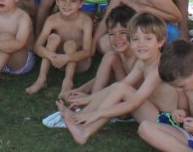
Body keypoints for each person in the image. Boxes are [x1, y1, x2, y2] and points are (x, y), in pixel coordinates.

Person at [56, 12, 174, 146]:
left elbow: (133, 103)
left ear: (160, 41)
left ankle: (84, 130)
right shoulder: (143, 62)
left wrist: (98, 113)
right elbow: (121, 85)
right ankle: (80, 117)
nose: (141, 44)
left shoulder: (158, 67)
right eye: (135, 39)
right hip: (154, 112)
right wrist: (89, 99)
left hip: (168, 122)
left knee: (121, 89)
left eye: (147, 39)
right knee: (120, 87)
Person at [26, 0, 94, 96]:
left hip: (80, 63)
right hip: (58, 61)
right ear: (56, 1)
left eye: (73, 1)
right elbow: (37, 46)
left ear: (81, 4)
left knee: (70, 44)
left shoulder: (85, 21)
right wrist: (51, 55)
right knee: (53, 38)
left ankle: (67, 82)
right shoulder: (52, 20)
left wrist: (67, 58)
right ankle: (41, 79)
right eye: (63, 0)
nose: (67, 4)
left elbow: (87, 52)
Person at [63, 5, 137, 105]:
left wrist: (90, 98)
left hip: (149, 108)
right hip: (128, 95)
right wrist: (81, 89)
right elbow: (107, 75)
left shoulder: (139, 57)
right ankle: (93, 101)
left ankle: (92, 103)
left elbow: (124, 88)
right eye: (111, 34)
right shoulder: (121, 53)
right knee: (110, 56)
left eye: (123, 32)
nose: (117, 38)